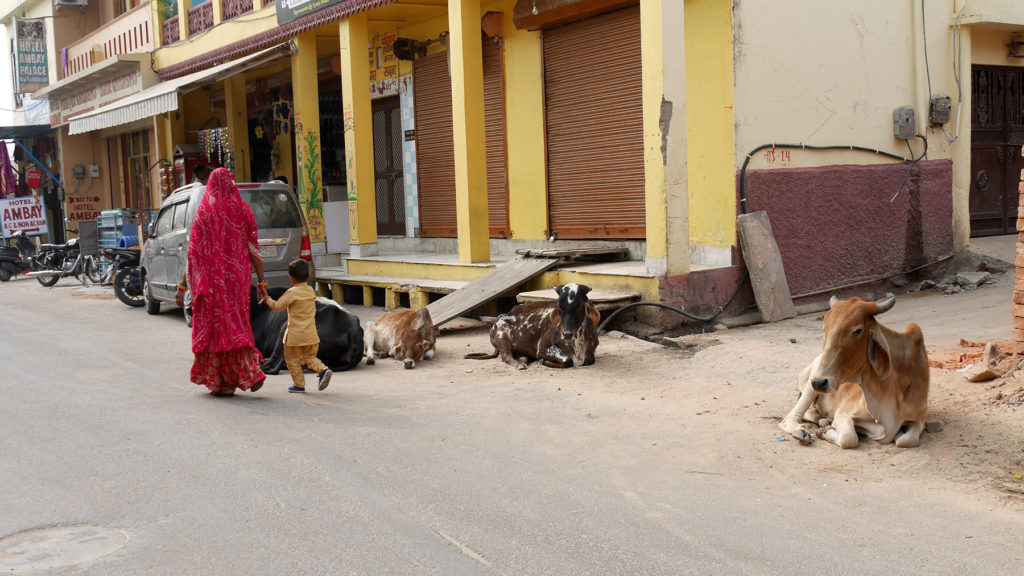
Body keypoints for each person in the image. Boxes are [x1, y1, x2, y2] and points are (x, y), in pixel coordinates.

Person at [175, 168, 269, 397]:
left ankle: (223, 380)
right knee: (236, 324)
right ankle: (246, 372)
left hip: (210, 284)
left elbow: (193, 253)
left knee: (217, 328)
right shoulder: (243, 210)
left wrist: (183, 285)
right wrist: (262, 282)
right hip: (237, 280)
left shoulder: (205, 212)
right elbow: (253, 248)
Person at [259, 259, 332, 393]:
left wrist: (267, 299)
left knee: (292, 360)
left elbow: (278, 307)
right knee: (310, 358)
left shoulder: (291, 293)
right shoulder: (310, 290)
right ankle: (323, 370)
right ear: (309, 276)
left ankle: (299, 385)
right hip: (311, 334)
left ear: (291, 278)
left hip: (295, 336)